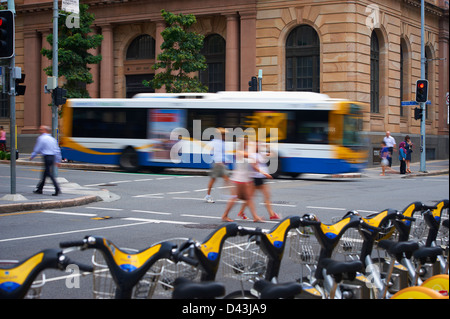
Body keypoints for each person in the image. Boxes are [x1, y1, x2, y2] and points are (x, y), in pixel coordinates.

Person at [222, 137, 264, 223]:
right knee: (238, 198)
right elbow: (250, 156)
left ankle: (255, 217)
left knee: (247, 198)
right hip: (239, 179)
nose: (246, 144)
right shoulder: (239, 152)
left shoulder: (244, 152)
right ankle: (225, 215)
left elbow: (253, 162)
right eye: (245, 143)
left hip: (244, 179)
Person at [237, 142, 280, 220]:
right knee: (261, 196)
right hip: (256, 178)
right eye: (256, 145)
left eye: (259, 145)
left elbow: (273, 154)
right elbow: (254, 167)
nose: (258, 146)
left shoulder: (261, 154)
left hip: (260, 177)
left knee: (253, 197)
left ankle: (241, 212)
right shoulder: (252, 155)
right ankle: (271, 214)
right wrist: (265, 174)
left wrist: (268, 147)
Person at [29, 125, 62, 196]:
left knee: (48, 173)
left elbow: (37, 148)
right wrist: (58, 160)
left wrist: (32, 156)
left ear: (45, 130)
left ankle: (57, 188)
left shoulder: (41, 138)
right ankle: (39, 189)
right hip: (52, 157)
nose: (40, 131)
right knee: (45, 173)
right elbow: (57, 150)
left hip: (47, 157)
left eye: (41, 129)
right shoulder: (52, 139)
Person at [204, 128, 230, 203]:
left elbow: (222, 153)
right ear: (221, 135)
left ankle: (226, 194)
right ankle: (208, 196)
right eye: (224, 135)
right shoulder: (215, 142)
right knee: (213, 179)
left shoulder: (222, 143)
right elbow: (209, 151)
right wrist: (215, 158)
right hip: (217, 164)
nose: (226, 136)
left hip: (221, 164)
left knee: (226, 179)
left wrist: (225, 160)